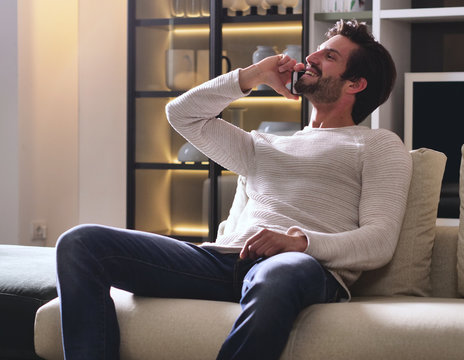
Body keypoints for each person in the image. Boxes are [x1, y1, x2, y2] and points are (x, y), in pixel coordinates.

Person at [56, 19, 412, 360]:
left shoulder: (378, 145)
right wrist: (253, 75)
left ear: (355, 84)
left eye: (329, 56)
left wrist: (298, 242)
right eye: (317, 50)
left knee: (277, 273)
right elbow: (182, 115)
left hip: (299, 266)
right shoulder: (262, 144)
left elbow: (378, 241)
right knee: (80, 244)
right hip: (225, 262)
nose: (311, 57)